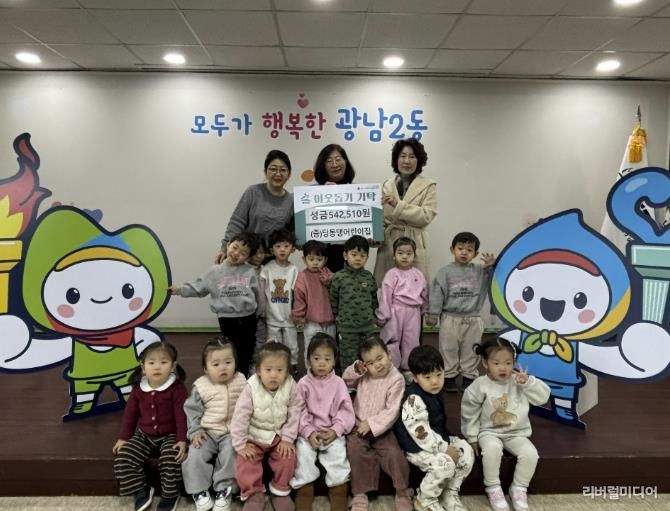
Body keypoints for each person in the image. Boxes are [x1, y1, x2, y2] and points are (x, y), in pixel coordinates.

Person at [461, 338, 550, 511]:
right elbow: (469, 412)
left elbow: (543, 397)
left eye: (508, 363)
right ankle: (493, 487)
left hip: (516, 432)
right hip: (489, 432)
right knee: (492, 449)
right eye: (496, 363)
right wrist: (472, 436)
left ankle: (519, 487)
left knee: (530, 454)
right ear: (485, 363)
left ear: (514, 362)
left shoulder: (519, 380)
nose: (503, 368)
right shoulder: (479, 385)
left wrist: (529, 383)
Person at [394, 346, 475, 511]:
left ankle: (449, 492)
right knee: (444, 463)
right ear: (415, 378)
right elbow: (421, 435)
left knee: (466, 450)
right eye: (427, 377)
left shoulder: (433, 390)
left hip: (437, 439)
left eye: (439, 374)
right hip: (416, 446)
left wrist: (446, 444)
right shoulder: (413, 399)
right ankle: (425, 499)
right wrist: (445, 449)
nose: (435, 381)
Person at [171, 232, 261, 376]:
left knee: (248, 348)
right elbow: (199, 287)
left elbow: (257, 294)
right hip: (227, 319)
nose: (236, 254)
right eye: (235, 247)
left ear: (248, 257)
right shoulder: (215, 271)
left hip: (248, 317)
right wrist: (179, 290)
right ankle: (232, 375)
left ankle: (245, 376)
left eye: (243, 253)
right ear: (228, 245)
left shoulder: (249, 271)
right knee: (230, 349)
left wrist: (260, 312)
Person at [112, 342, 188, 511]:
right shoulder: (139, 389)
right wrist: (124, 438)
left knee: (172, 457)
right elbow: (130, 415)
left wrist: (182, 439)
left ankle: (170, 494)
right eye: (151, 362)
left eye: (163, 362)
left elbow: (181, 416)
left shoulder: (177, 389)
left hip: (170, 434)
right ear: (143, 367)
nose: (157, 367)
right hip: (144, 435)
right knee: (123, 456)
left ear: (173, 366)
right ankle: (141, 489)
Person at [230, 342, 303, 511]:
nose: (273, 375)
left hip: (279, 435)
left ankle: (280, 490)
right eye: (268, 370)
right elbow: (240, 416)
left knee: (287, 458)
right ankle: (253, 494)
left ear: (287, 371)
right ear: (258, 371)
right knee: (246, 462)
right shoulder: (251, 387)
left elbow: (295, 412)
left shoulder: (291, 386)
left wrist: (288, 438)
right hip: (254, 435)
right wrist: (240, 444)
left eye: (279, 370)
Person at [343, 336, 412, 511]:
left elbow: (392, 410)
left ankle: (402, 491)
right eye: (371, 363)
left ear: (388, 354)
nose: (377, 365)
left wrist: (372, 424)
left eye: (380, 358)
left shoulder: (396, 379)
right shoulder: (363, 373)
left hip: (383, 429)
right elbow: (346, 380)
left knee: (394, 454)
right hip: (358, 425)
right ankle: (360, 493)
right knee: (355, 452)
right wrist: (356, 369)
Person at [291, 333, 354, 511]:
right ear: (308, 359)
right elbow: (298, 411)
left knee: (338, 456)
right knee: (303, 455)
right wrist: (308, 432)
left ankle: (338, 491)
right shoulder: (303, 383)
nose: (321, 363)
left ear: (334, 361)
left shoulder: (339, 383)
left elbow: (345, 410)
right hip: (308, 432)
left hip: (331, 432)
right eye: (316, 358)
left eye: (327, 359)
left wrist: (336, 430)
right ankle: (304, 491)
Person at [182, 338, 247, 511]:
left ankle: (224, 489)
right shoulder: (201, 386)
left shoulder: (242, 381)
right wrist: (195, 431)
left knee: (232, 453)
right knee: (195, 454)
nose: (223, 368)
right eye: (216, 364)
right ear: (205, 368)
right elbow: (192, 410)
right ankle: (199, 491)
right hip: (207, 431)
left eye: (228, 362)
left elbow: (250, 406)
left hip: (233, 431)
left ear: (235, 363)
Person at [426, 232, 496, 392]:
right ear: (452, 250)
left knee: (471, 349)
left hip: (473, 319)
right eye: (460, 248)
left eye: (469, 250)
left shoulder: (480, 271)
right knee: (448, 348)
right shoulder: (444, 272)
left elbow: (494, 278)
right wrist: (433, 314)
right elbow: (436, 293)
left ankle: (469, 377)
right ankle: (449, 376)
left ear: (475, 254)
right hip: (450, 318)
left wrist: (492, 266)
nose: (464, 252)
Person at [373, 138, 437, 285]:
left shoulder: (428, 185)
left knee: (414, 290)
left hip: (414, 242)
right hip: (389, 245)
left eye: (412, 156)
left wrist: (398, 205)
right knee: (387, 289)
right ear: (396, 160)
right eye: (402, 156)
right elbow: (381, 219)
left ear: (419, 160)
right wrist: (374, 235)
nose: (407, 161)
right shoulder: (387, 185)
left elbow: (426, 216)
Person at [216, 150, 294, 264]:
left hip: (273, 260)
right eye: (273, 169)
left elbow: (291, 232)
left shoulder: (291, 201)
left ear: (289, 174)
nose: (278, 174)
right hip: (246, 256)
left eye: (283, 170)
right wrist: (224, 248)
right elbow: (237, 222)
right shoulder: (253, 192)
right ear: (265, 172)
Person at [376, 237, 428, 375]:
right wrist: (383, 315)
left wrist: (425, 310)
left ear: (414, 256)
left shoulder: (418, 274)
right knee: (392, 338)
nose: (404, 256)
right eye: (400, 253)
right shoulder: (391, 274)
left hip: (413, 312)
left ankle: (408, 368)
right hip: (395, 310)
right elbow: (386, 296)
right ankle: (391, 368)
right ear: (394, 255)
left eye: (409, 253)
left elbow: (424, 294)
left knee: (411, 339)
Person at [330, 235, 378, 370]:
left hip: (367, 327)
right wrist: (337, 315)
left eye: (362, 256)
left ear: (367, 258)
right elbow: (333, 298)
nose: (358, 258)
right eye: (354, 254)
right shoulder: (338, 277)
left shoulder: (368, 277)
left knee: (369, 355)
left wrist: (374, 315)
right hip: (347, 328)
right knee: (348, 357)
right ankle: (349, 380)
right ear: (345, 255)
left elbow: (374, 298)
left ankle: (369, 378)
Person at [312, 144, 357, 273]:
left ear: (345, 162)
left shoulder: (358, 192)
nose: (335, 164)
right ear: (323, 165)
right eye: (329, 161)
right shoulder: (312, 193)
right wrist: (322, 195)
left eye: (338, 159)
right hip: (321, 256)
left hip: (351, 256)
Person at [291, 240, 336, 367]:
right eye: (311, 259)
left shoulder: (331, 276)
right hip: (311, 322)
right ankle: (310, 372)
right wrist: (298, 317)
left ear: (325, 260)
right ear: (304, 259)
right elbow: (299, 300)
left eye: (319, 259)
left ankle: (329, 373)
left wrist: (330, 281)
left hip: (330, 322)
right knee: (311, 348)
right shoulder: (302, 277)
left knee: (330, 349)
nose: (315, 262)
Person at [260, 229, 299, 369]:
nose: (282, 249)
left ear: (292, 249)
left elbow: (296, 293)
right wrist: (262, 310)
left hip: (289, 317)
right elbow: (262, 292)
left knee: (292, 344)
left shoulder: (294, 269)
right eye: (278, 246)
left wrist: (297, 313)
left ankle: (292, 365)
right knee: (273, 344)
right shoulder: (267, 269)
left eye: (286, 246)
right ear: (272, 250)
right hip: (272, 315)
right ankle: (274, 365)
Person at [248, 240, 268, 373]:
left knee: (262, 341)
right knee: (250, 341)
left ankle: (260, 365)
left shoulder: (266, 270)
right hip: (249, 315)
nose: (259, 256)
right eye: (255, 253)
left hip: (264, 313)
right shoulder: (245, 270)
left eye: (261, 252)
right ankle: (252, 365)